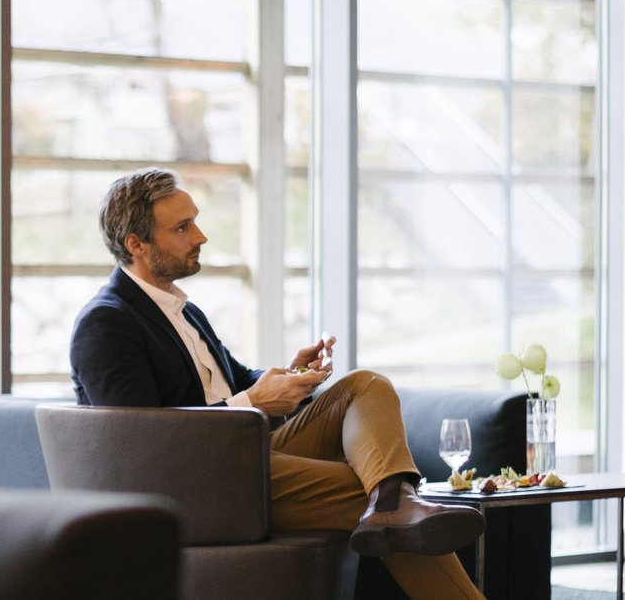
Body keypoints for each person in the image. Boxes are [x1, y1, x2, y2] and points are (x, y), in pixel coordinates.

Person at [70, 168, 486, 600]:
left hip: (248, 453)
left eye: (194, 220)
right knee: (365, 495)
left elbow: (233, 381)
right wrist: (252, 402)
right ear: (136, 244)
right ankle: (394, 503)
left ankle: (393, 498)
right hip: (195, 482)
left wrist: (289, 378)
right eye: (182, 227)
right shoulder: (106, 322)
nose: (201, 236)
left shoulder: (183, 311)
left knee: (365, 385)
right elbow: (139, 442)